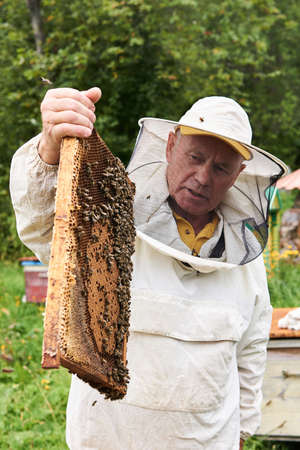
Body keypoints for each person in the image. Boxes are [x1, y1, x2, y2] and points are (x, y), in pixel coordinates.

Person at [10, 87, 287, 450]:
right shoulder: (111, 224)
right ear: (171, 146)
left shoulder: (244, 262)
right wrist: (49, 147)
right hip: (108, 439)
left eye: (220, 167)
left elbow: (250, 350)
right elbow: (45, 228)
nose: (203, 177)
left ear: (239, 174)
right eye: (195, 157)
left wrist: (241, 432)